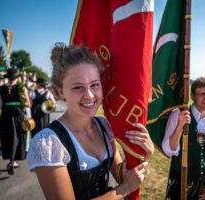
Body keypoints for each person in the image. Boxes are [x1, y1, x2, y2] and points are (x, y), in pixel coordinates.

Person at [26, 43, 154, 200]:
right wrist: (125, 189)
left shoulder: (103, 126)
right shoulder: (49, 142)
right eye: (78, 87)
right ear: (61, 92)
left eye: (94, 85)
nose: (89, 95)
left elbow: (121, 174)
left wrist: (143, 154)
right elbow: (126, 184)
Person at [162, 77, 205, 200]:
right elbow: (168, 150)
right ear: (192, 95)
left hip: (203, 185)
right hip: (179, 180)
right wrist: (180, 125)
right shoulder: (178, 114)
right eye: (202, 94)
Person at [0, 68, 31, 175]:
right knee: (17, 137)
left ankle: (12, 160)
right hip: (18, 115)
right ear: (17, 78)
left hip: (5, 115)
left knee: (8, 137)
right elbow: (28, 104)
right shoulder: (22, 88)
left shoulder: (0, 88)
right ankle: (13, 161)